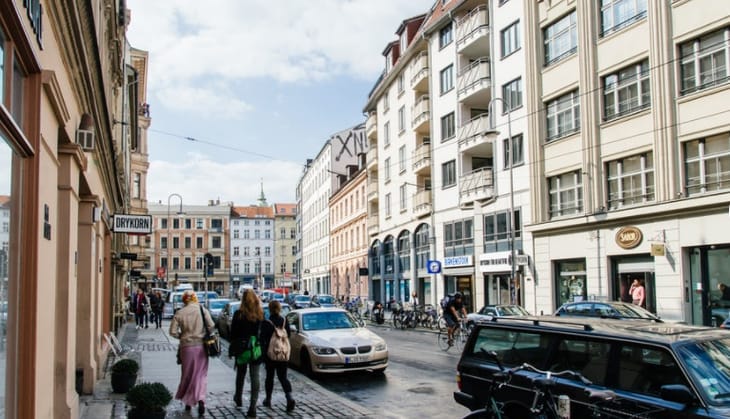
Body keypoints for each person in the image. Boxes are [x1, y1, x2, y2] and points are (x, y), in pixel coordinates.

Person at [169, 290, 215, 415]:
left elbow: (172, 331)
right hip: (201, 346)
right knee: (201, 374)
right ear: (195, 298)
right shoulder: (202, 310)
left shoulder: (180, 312)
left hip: (186, 347)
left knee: (187, 374)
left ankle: (188, 402)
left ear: (184, 299)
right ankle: (200, 399)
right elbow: (211, 325)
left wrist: (182, 336)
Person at [230, 289, 264, 417]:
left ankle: (238, 397)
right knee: (255, 377)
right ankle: (253, 406)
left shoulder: (239, 314)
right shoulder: (260, 314)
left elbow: (232, 333)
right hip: (255, 348)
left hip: (242, 348)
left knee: (241, 374)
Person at [259, 300, 296, 412]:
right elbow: (288, 334)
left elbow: (262, 339)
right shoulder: (284, 320)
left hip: (271, 354)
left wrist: (263, 354)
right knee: (283, 377)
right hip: (283, 353)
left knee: (269, 377)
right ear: (279, 308)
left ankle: (268, 399)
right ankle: (289, 397)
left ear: (270, 309)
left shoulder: (267, 322)